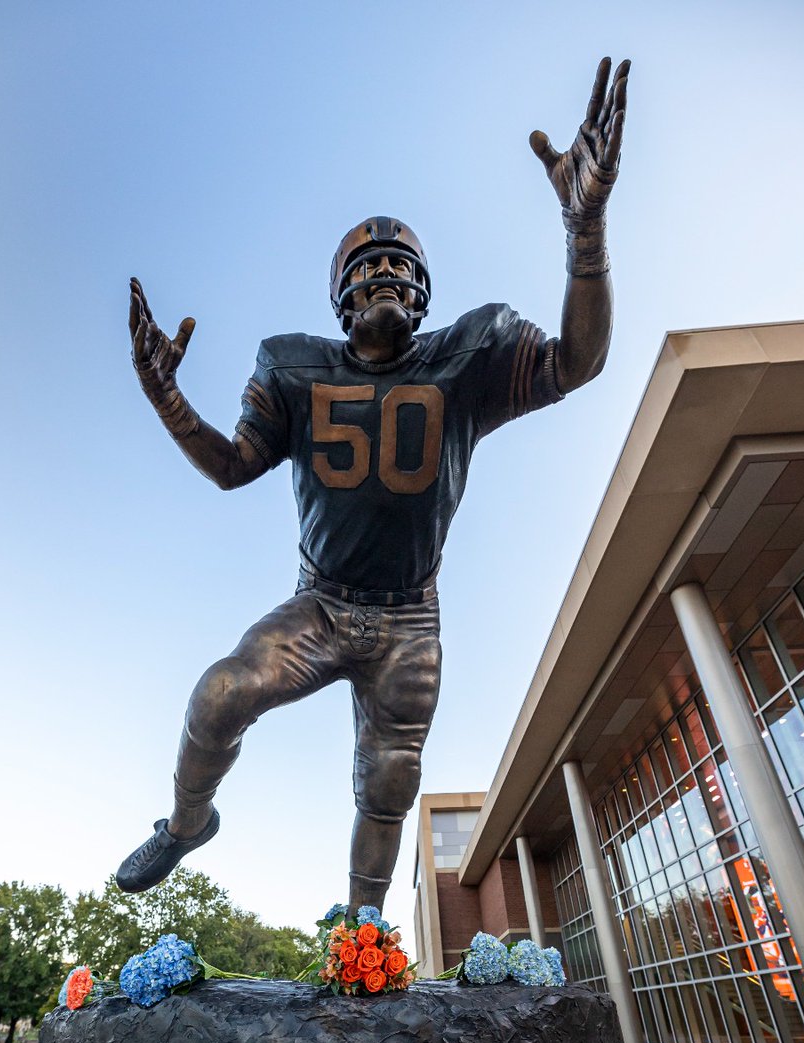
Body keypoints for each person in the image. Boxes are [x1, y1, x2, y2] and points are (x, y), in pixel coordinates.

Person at [117, 58, 629, 916]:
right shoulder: (293, 366)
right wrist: (170, 402)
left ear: (426, 296)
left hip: (407, 615)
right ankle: (184, 822)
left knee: (389, 777)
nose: (385, 275)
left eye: (401, 267)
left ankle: (361, 931)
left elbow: (578, 361)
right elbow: (232, 467)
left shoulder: (469, 357)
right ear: (340, 298)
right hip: (320, 603)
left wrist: (585, 232)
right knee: (220, 692)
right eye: (369, 269)